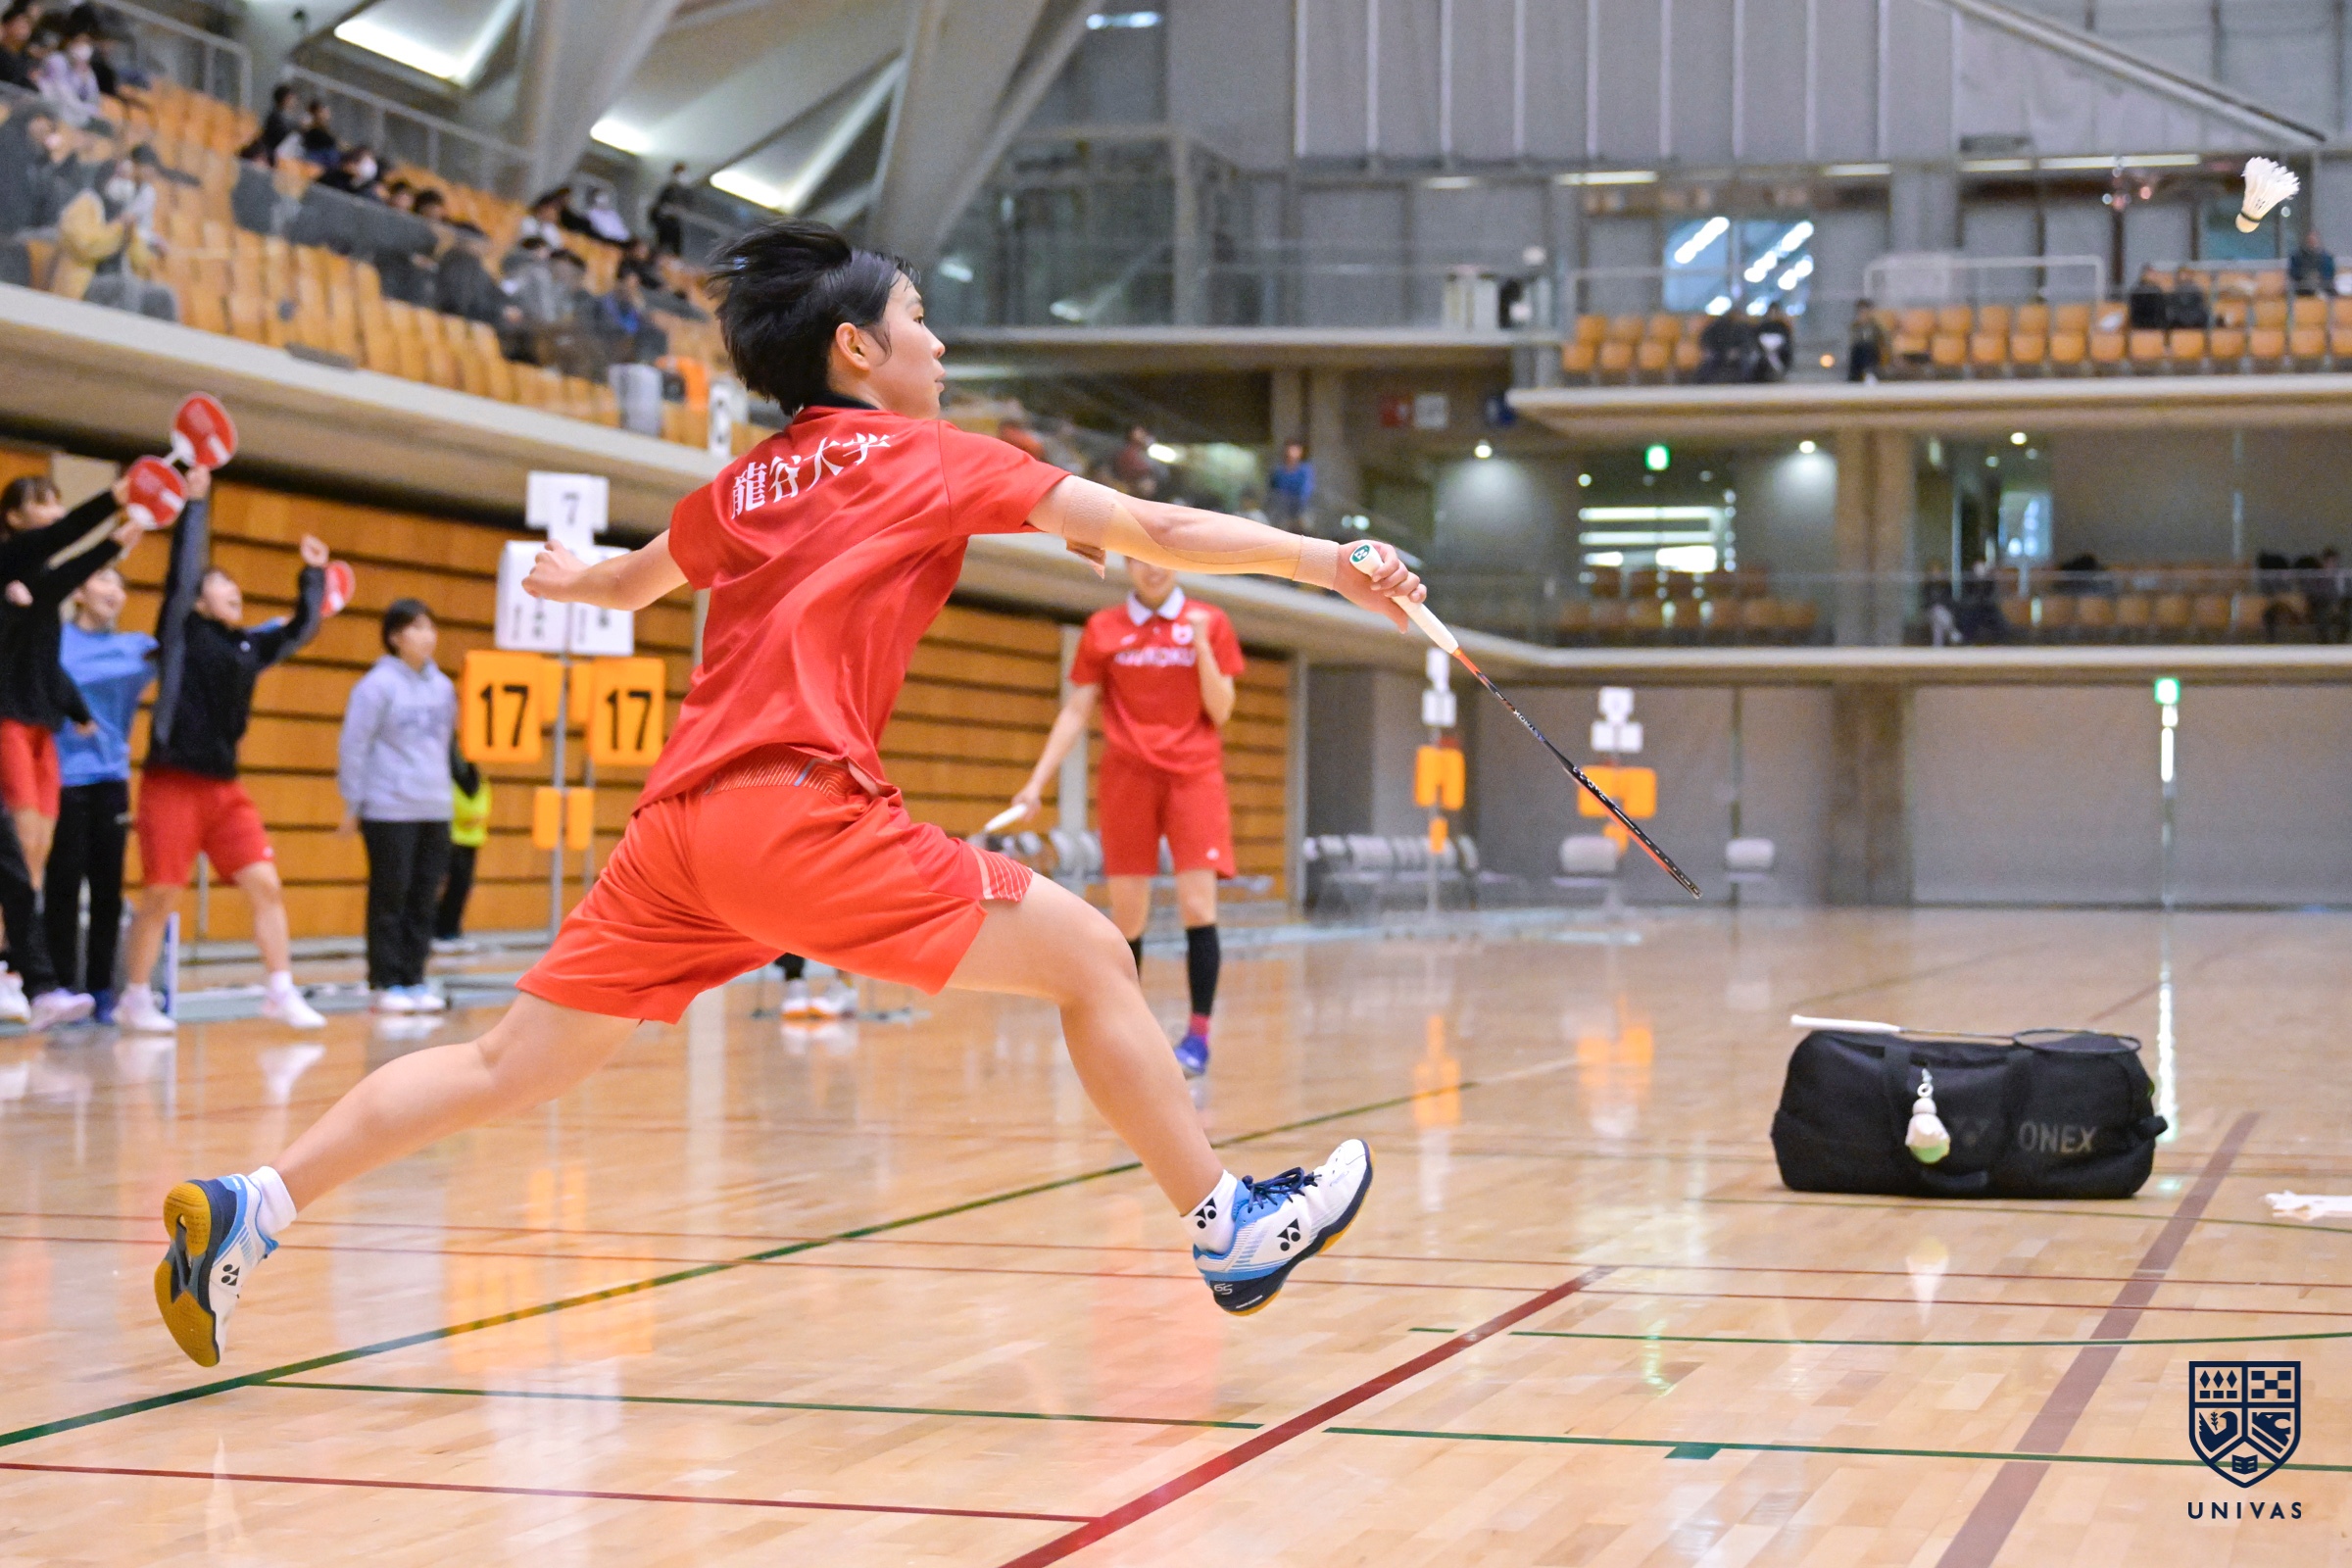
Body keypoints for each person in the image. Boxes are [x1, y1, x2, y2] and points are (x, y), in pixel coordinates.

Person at [152, 217, 1414, 1369]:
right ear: (858, 347)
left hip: (676, 832)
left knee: (501, 1062)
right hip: (798, 811)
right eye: (919, 318)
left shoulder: (744, 482)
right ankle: (1225, 1224)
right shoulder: (933, 455)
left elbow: (629, 583)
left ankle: (255, 1205)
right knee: (1092, 956)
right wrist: (1333, 560)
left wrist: (570, 578)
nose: (939, 343)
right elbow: (1162, 534)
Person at [1008, 555, 1246, 1077]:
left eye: (1161, 558)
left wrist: (1201, 645)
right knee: (1129, 916)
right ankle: (1133, 1037)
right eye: (1139, 558)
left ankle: (1198, 1038)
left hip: (1194, 777)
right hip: (1128, 779)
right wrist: (1036, 782)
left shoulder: (1210, 621)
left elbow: (1222, 709)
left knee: (1197, 906)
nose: (1152, 568)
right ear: (1126, 564)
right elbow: (1077, 709)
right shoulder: (1104, 627)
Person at [117, 482, 328, 1036]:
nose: (233, 589)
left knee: (266, 885)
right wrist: (195, 504)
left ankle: (280, 990)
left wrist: (312, 576)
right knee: (161, 894)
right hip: (171, 783)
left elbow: (301, 630)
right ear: (199, 599)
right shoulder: (181, 632)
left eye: (235, 585)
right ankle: (135, 996)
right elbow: (182, 572)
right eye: (220, 583)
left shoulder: (247, 648)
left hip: (224, 791)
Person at [0, 471, 142, 1029]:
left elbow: (46, 655)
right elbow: (62, 544)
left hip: (42, 725)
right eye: (42, 503)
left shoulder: (40, 582)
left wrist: (76, 709)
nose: (55, 511)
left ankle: (14, 970)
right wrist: (113, 501)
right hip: (7, 720)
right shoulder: (8, 562)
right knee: (18, 849)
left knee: (35, 853)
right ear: (13, 518)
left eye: (58, 501)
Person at [337, 599, 455, 1013]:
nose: (427, 636)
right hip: (388, 807)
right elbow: (354, 746)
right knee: (391, 895)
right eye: (416, 627)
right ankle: (385, 983)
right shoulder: (375, 686)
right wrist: (353, 801)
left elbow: (444, 746)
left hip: (435, 805)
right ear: (394, 636)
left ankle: (414, 978)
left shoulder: (444, 688)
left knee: (425, 897)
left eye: (430, 627)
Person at [46, 562, 149, 1022]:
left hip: (111, 780)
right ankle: (62, 986)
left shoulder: (135, 649)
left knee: (108, 888)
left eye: (121, 585)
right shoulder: (55, 640)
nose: (114, 590)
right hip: (62, 778)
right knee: (63, 885)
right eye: (104, 578)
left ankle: (102, 989)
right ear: (79, 592)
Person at [433, 740, 486, 949]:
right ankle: (434, 932)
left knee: (461, 887)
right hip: (448, 835)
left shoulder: (476, 776)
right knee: (436, 886)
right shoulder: (443, 774)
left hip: (471, 838)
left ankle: (450, 930)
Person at [33, 26, 100, 127]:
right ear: (69, 42)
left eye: (86, 42)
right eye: (79, 41)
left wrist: (84, 78)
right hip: (51, 109)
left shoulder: (87, 71)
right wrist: (84, 109)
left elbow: (93, 98)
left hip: (76, 115)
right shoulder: (56, 60)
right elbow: (62, 93)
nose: (83, 46)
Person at [1266, 440, 1313, 529]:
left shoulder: (1305, 470)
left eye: (1296, 450)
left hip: (1301, 508)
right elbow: (1273, 491)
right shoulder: (1278, 471)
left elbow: (1306, 490)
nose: (1293, 453)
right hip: (1282, 510)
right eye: (1291, 450)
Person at [649, 161, 691, 256]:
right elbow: (658, 206)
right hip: (664, 222)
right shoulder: (668, 189)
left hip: (675, 224)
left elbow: (688, 207)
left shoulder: (686, 192)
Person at [1, 4, 40, 91]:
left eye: (28, 24)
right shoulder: (2, 54)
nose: (24, 27)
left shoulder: (25, 56)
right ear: (7, 25)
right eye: (19, 22)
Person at [1845, 300, 1885, 382]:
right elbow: (1852, 342)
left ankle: (1869, 372)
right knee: (1858, 348)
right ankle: (1855, 376)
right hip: (1858, 354)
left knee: (1867, 347)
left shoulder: (1876, 327)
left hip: (1873, 353)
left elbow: (1883, 341)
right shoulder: (1855, 327)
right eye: (1861, 312)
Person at [2291, 230, 2336, 297]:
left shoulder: (2326, 257)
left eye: (2313, 240)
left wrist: (2319, 277)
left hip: (2323, 285)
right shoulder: (2298, 257)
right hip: (2303, 287)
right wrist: (2307, 276)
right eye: (2310, 240)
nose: (2312, 242)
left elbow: (2330, 273)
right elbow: (2294, 273)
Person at [2127, 266, 2170, 330]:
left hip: (2158, 326)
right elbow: (2135, 313)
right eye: (2150, 273)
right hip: (2140, 326)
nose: (2154, 276)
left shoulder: (2158, 291)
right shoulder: (2138, 292)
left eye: (2154, 273)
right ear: (2144, 275)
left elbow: (2162, 312)